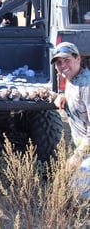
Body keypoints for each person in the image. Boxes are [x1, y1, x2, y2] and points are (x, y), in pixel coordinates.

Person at [51, 42, 89, 197]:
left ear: (78, 58)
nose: (63, 66)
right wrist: (62, 96)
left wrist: (76, 158)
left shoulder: (87, 85)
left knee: (79, 186)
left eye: (67, 60)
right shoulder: (72, 80)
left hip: (86, 149)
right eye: (59, 63)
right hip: (85, 149)